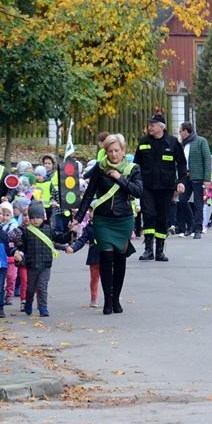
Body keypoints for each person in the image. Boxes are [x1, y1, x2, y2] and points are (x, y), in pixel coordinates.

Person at [69, 134, 143, 314]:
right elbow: (88, 195)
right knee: (106, 256)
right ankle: (107, 300)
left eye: (117, 150)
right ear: (106, 152)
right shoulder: (99, 169)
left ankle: (116, 298)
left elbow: (138, 191)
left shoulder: (132, 168)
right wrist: (78, 219)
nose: (114, 154)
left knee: (119, 258)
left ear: (123, 151)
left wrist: (120, 178)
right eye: (110, 151)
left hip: (124, 219)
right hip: (103, 219)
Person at [133, 113, 185, 261]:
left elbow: (181, 164)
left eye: (152, 125)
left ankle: (160, 250)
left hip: (166, 187)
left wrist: (180, 181)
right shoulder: (143, 142)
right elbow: (136, 164)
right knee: (148, 215)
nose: (150, 127)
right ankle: (148, 249)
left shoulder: (173, 142)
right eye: (149, 125)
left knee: (163, 217)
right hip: (147, 187)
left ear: (161, 127)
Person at [14, 201, 68, 317]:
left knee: (42, 287)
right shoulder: (27, 231)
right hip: (32, 264)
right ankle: (28, 304)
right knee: (30, 288)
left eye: (38, 217)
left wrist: (70, 232)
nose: (35, 220)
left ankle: (43, 307)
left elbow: (60, 238)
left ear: (43, 217)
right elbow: (22, 246)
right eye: (32, 217)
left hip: (46, 264)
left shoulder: (49, 229)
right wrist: (19, 253)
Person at [178, 122, 212, 239]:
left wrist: (207, 178)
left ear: (186, 131)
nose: (179, 133)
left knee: (198, 203)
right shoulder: (182, 144)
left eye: (180, 131)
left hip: (198, 176)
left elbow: (207, 159)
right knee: (182, 200)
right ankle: (191, 224)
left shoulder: (200, 141)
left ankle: (198, 229)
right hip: (185, 177)